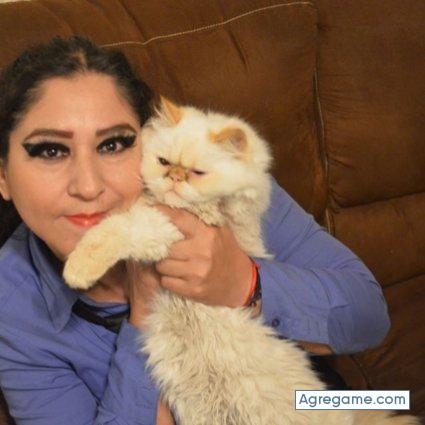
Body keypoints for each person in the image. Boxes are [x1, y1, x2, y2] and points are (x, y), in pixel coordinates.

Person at [0, 36, 390, 425]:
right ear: (3, 175)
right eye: (50, 150)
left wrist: (244, 283)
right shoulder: (12, 308)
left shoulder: (226, 186)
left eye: (113, 145)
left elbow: (371, 318)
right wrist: (145, 311)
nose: (88, 186)